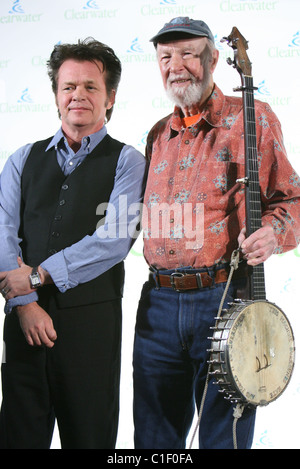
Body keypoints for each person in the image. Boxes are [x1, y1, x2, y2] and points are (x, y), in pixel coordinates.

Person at [132, 17, 300, 449]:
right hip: (158, 305)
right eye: (166, 57)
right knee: (153, 441)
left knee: (222, 440)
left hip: (223, 299)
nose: (176, 65)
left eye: (188, 53)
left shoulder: (253, 118)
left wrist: (273, 233)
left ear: (212, 59)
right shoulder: (158, 135)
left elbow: (293, 199)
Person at [0, 38, 146, 449]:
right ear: (55, 96)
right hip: (22, 328)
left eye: (90, 87)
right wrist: (24, 304)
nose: (77, 95)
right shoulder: (22, 159)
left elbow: (113, 240)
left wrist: (35, 275)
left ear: (110, 97)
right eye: (68, 87)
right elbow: (2, 230)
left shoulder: (129, 161)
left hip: (92, 334)